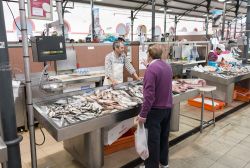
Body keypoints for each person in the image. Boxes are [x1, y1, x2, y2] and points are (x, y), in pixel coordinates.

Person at [137, 44, 173, 168]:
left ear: (149, 55)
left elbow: (149, 96)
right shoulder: (167, 66)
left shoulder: (150, 70)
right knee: (164, 137)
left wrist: (143, 114)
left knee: (153, 141)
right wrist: (147, 66)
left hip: (155, 111)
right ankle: (164, 163)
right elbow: (160, 73)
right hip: (167, 108)